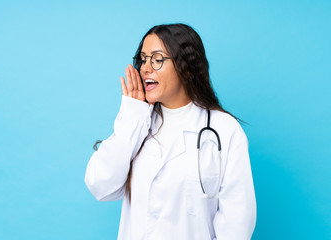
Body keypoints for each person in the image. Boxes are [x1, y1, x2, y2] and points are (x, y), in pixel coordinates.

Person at [85, 23, 256, 240]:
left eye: (157, 59)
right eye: (143, 59)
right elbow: (100, 186)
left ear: (186, 67)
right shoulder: (137, 122)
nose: (146, 68)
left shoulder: (223, 130)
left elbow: (237, 225)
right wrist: (131, 117)